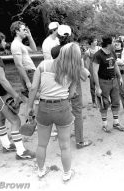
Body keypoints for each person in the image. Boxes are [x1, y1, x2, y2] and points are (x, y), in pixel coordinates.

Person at [27, 42, 82, 181]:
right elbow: (71, 95)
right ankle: (66, 174)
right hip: (62, 108)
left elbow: (33, 88)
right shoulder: (73, 70)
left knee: (41, 143)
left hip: (44, 107)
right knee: (65, 146)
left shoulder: (43, 65)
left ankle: (40, 170)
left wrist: (29, 107)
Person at [0, 30, 35, 160]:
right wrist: (15, 95)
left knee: (0, 119)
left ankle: (6, 145)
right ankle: (21, 152)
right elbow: (3, 80)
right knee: (15, 120)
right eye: (3, 40)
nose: (5, 42)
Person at [51, 24, 92, 149]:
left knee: (62, 110)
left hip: (60, 85)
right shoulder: (75, 50)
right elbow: (80, 68)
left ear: (58, 36)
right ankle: (79, 141)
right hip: (74, 84)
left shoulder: (54, 50)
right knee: (77, 113)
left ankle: (63, 135)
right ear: (70, 35)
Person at [93, 35, 124, 133]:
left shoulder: (112, 53)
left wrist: (120, 77)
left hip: (114, 81)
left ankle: (116, 123)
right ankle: (105, 125)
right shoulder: (98, 55)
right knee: (104, 104)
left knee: (115, 102)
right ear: (108, 44)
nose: (115, 44)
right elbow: (94, 72)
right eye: (113, 42)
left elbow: (115, 65)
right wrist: (98, 87)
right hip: (103, 82)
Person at [10, 21, 37, 98]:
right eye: (23, 29)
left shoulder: (20, 44)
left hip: (31, 73)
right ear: (17, 31)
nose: (26, 31)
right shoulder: (15, 44)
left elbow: (33, 49)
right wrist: (28, 81)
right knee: (35, 97)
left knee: (35, 98)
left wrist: (30, 36)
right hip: (29, 73)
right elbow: (18, 65)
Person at [83, 36, 101, 108]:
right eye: (95, 40)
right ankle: (94, 101)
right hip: (92, 69)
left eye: (96, 40)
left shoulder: (100, 49)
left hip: (100, 68)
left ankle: (101, 100)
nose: (96, 42)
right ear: (91, 42)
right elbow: (84, 59)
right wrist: (87, 69)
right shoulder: (88, 52)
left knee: (101, 84)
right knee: (92, 86)